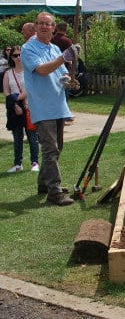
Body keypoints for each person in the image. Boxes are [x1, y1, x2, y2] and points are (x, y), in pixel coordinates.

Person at [21, 12, 78, 206]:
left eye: (48, 24)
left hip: (58, 105)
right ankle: (55, 192)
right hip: (42, 106)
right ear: (35, 26)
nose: (45, 27)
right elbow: (43, 70)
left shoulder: (54, 48)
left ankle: (44, 184)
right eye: (41, 23)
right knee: (50, 149)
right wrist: (64, 57)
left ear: (54, 27)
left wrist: (69, 81)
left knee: (57, 148)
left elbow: (61, 75)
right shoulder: (28, 48)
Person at [3, 45, 40, 173]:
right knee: (17, 137)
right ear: (11, 57)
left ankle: (35, 162)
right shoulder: (8, 73)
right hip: (15, 108)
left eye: (20, 55)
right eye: (15, 55)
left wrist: (18, 98)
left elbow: (32, 88)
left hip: (29, 106)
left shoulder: (30, 71)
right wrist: (15, 105)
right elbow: (6, 92)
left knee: (32, 136)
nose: (18, 57)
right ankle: (17, 163)